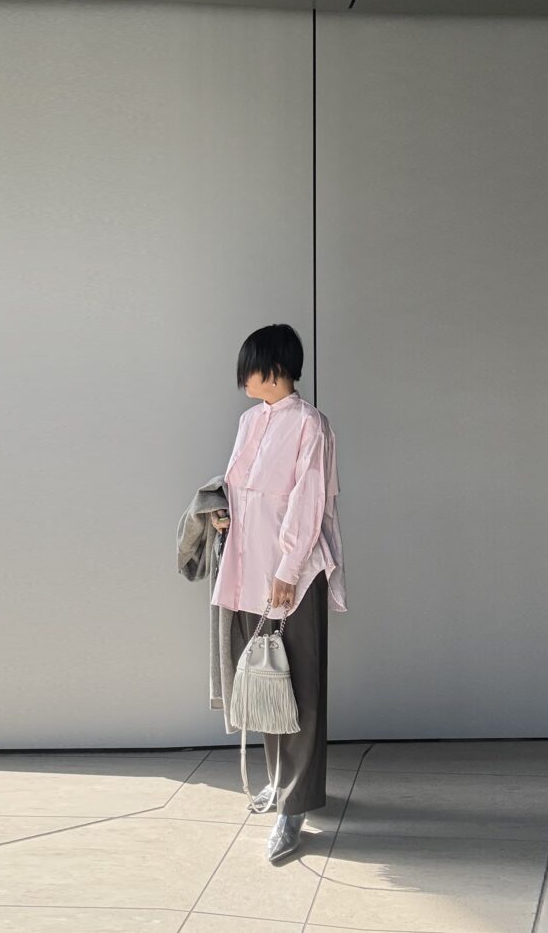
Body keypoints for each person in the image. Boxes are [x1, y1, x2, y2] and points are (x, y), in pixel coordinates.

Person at [210, 323, 346, 862]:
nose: (242, 378)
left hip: (293, 576)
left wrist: (288, 569)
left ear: (274, 367)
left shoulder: (310, 424)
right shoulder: (249, 421)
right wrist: (221, 516)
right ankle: (278, 780)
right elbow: (242, 491)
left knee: (300, 689)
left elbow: (308, 502)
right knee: (264, 683)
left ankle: (295, 806)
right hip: (247, 575)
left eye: (249, 367)